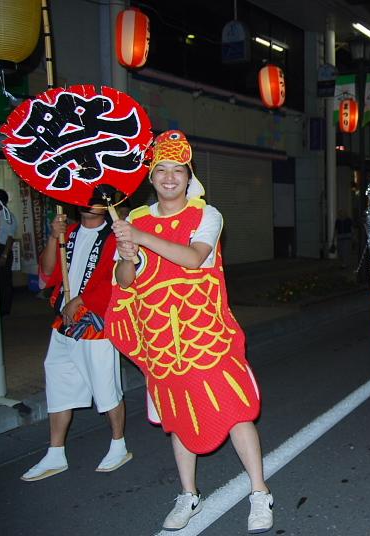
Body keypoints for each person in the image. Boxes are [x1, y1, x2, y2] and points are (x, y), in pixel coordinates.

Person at [106, 130, 273, 533]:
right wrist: (128, 256)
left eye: (176, 170)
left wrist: (140, 237)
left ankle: (259, 492)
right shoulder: (136, 220)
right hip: (160, 340)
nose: (168, 178)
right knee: (179, 418)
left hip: (208, 338)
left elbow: (195, 259)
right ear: (150, 176)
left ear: (188, 175)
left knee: (235, 412)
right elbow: (124, 282)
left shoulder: (206, 215)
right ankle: (188, 495)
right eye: (160, 170)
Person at [21, 199, 131, 482]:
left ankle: (119, 444)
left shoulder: (115, 234)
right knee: (58, 384)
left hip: (94, 324)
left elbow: (117, 281)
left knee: (105, 388)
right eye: (84, 199)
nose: (88, 204)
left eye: (96, 200)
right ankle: (55, 452)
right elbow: (48, 274)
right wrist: (53, 236)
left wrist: (81, 300)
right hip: (63, 321)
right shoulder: (68, 233)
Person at [0, 189, 18, 315]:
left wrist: (4, 255)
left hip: (3, 249)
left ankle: (5, 310)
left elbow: (10, 238)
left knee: (4, 281)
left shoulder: (7, 216)